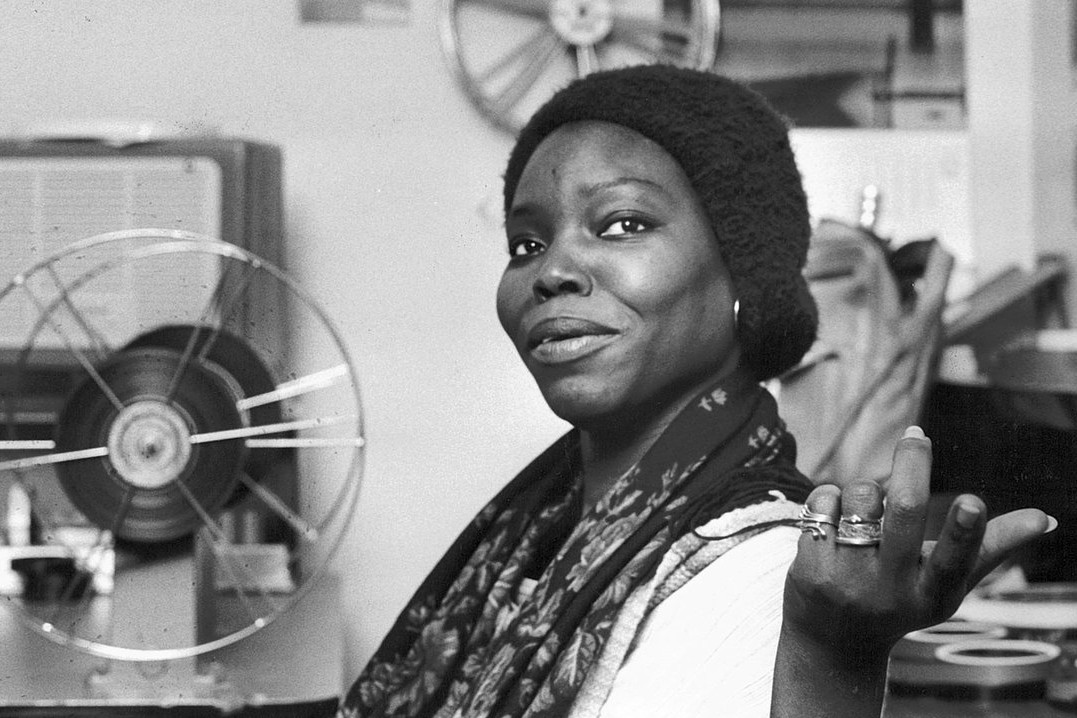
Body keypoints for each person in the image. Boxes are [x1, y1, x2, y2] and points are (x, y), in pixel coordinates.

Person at [338, 65, 1054, 718]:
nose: (551, 271)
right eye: (526, 243)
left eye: (622, 224)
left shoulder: (763, 577)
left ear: (744, 276)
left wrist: (829, 660)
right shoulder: (536, 535)